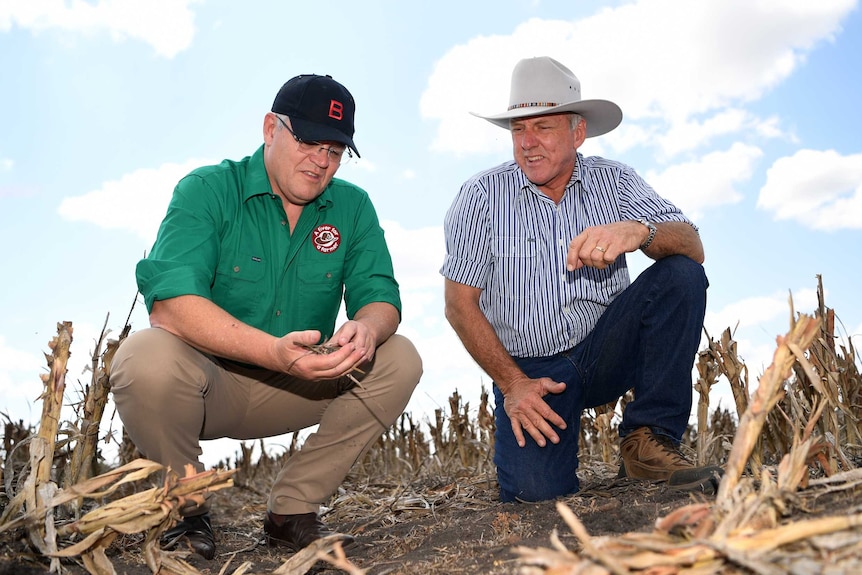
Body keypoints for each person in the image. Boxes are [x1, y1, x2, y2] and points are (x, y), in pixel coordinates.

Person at [111, 73, 423, 558]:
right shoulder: (207, 189)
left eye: (336, 151)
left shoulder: (354, 206)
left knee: (398, 356)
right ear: (270, 128)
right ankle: (184, 511)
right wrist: (273, 352)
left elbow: (381, 295)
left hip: (300, 384)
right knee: (143, 357)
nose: (322, 161)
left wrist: (368, 326)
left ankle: (292, 513)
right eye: (309, 141)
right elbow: (171, 305)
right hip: (208, 383)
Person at [441, 56, 722, 503]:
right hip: (532, 372)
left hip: (606, 348)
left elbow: (693, 245)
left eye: (543, 128)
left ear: (577, 133)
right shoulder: (480, 196)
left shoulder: (616, 180)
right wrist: (513, 385)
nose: (528, 143)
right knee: (537, 496)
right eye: (518, 130)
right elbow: (459, 305)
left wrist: (639, 232)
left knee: (681, 276)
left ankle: (647, 439)